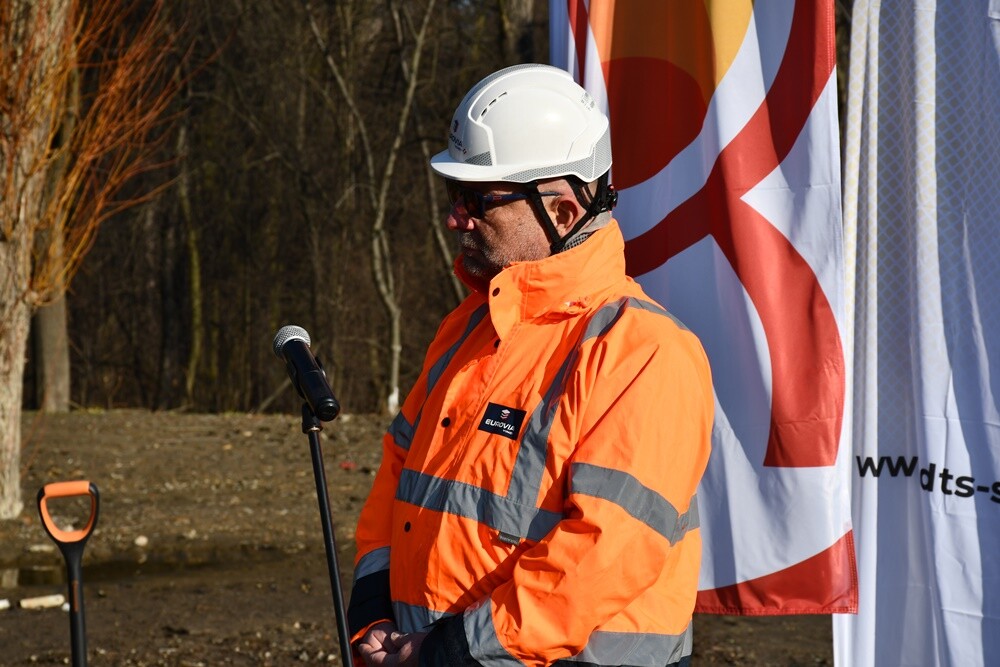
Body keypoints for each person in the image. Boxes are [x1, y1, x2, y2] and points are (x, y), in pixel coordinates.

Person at [346, 63, 713, 667]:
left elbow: (602, 556)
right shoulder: (467, 328)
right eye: (453, 196)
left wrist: (456, 652)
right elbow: (398, 477)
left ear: (563, 211)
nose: (455, 218)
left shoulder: (645, 352)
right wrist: (372, 610)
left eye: (478, 200)